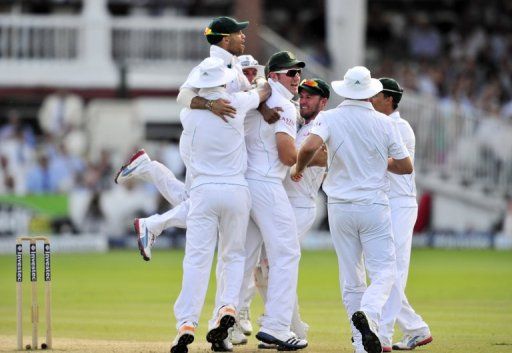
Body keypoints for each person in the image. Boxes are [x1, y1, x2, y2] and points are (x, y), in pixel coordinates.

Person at [291, 66, 413, 353]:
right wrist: (379, 163)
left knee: (351, 277)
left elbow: (309, 147)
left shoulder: (330, 117)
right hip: (374, 205)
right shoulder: (385, 123)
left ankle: (361, 344)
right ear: (370, 92)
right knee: (385, 272)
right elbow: (406, 166)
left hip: (340, 207)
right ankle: (369, 315)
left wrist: (298, 168)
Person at [168, 57, 271, 353]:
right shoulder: (238, 102)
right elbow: (263, 91)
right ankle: (228, 306)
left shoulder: (189, 115)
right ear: (223, 81)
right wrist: (257, 83)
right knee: (234, 256)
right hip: (236, 189)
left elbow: (186, 98)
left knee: (196, 261)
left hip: (203, 191)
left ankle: (186, 324)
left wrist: (207, 103)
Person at [232, 78, 330, 346]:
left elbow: (320, 157)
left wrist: (299, 165)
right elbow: (263, 83)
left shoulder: (325, 127)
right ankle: (290, 326)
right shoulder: (297, 122)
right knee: (265, 268)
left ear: (324, 102)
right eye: (303, 95)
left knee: (273, 264)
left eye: (312, 97)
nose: (304, 100)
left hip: (300, 205)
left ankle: (281, 325)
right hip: (278, 201)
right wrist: (263, 109)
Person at [236, 50, 308, 351]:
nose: (297, 79)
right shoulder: (285, 107)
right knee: (287, 254)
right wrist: (309, 154)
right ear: (275, 75)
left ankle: (227, 325)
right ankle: (277, 326)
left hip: (243, 181)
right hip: (266, 183)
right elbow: (287, 155)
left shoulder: (255, 99)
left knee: (244, 257)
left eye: (299, 73)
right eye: (291, 73)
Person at [370, 78, 433, 351]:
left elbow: (399, 165)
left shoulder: (399, 126)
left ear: (389, 99)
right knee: (383, 270)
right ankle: (416, 329)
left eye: (375, 95)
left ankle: (383, 334)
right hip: (386, 201)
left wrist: (368, 158)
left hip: (400, 202)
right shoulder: (382, 124)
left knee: (392, 270)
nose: (370, 100)